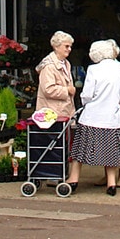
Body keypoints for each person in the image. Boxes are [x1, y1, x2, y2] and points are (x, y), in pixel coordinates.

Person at [71, 39, 120, 195]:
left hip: (91, 117)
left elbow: (87, 94)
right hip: (111, 119)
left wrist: (85, 102)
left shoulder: (93, 69)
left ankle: (73, 180)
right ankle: (111, 184)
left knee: (79, 151)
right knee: (110, 153)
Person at [35, 30, 81, 185]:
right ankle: (53, 175)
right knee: (53, 144)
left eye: (70, 46)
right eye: (66, 46)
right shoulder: (49, 66)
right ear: (56, 46)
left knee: (62, 144)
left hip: (64, 111)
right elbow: (48, 89)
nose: (69, 49)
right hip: (51, 112)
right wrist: (67, 90)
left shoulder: (66, 63)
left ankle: (59, 173)